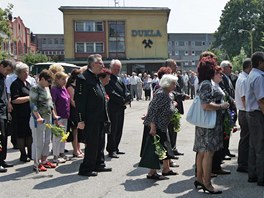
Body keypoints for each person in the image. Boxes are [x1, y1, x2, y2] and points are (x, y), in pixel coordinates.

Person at [193, 57, 229, 194]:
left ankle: (200, 179)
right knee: (208, 153)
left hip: (206, 124)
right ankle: (207, 183)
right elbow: (205, 105)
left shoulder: (205, 83)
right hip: (209, 125)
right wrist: (221, 106)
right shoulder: (207, 84)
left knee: (202, 153)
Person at [75, 54, 111, 176]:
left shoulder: (95, 77)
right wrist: (80, 120)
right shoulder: (83, 78)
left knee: (100, 142)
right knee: (92, 144)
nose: (103, 65)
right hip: (90, 118)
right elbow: (80, 101)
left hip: (100, 117)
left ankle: (99, 164)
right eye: (100, 63)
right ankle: (86, 168)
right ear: (93, 64)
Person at [140, 74, 178, 180]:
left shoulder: (167, 93)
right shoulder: (161, 94)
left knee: (164, 146)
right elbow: (152, 110)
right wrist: (152, 127)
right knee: (157, 148)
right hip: (156, 126)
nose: (175, 85)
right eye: (173, 83)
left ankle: (166, 169)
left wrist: (173, 105)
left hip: (162, 125)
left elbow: (166, 107)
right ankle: (152, 173)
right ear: (168, 84)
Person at [29, 69, 59, 172]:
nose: (50, 83)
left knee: (47, 140)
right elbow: (33, 104)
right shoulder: (35, 88)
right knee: (39, 142)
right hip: (38, 119)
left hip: (48, 118)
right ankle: (36, 163)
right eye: (48, 81)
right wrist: (38, 117)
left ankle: (44, 161)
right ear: (42, 79)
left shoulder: (46, 88)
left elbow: (50, 104)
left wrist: (54, 115)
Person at [245, 52, 264, 186]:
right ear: (260, 62)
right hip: (257, 114)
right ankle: (261, 177)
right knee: (260, 147)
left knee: (253, 145)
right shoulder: (258, 76)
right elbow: (261, 100)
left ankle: (253, 174)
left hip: (251, 113)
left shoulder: (252, 74)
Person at [105, 59, 130, 158]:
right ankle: (111, 149)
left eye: (118, 68)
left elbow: (126, 90)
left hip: (121, 107)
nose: (117, 70)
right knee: (113, 129)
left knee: (119, 128)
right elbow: (111, 92)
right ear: (111, 68)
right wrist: (122, 100)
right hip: (113, 107)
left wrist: (128, 96)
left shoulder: (119, 78)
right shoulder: (108, 78)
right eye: (115, 68)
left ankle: (116, 147)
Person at [10, 62, 32, 162]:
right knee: (21, 135)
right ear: (18, 73)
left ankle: (30, 153)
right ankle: (23, 154)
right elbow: (14, 100)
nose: (26, 74)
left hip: (29, 113)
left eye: (27, 71)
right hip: (19, 114)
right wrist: (29, 98)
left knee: (29, 133)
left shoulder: (28, 83)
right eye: (24, 72)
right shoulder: (15, 84)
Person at [235, 58, 252, 173]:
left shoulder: (242, 78)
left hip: (243, 111)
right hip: (245, 112)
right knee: (246, 138)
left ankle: (243, 162)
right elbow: (244, 98)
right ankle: (243, 163)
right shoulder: (244, 79)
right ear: (249, 66)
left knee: (245, 138)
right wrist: (249, 112)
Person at [51, 71, 70, 164]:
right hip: (59, 116)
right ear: (57, 79)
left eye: (65, 79)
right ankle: (55, 155)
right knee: (57, 137)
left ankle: (61, 153)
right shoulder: (54, 89)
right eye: (63, 79)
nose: (65, 81)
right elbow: (53, 103)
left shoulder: (64, 88)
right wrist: (55, 116)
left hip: (65, 115)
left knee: (63, 136)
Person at [219, 60, 237, 159]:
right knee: (224, 132)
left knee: (227, 131)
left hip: (230, 107)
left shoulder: (228, 77)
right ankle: (223, 152)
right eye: (230, 67)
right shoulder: (221, 77)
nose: (231, 69)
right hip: (226, 107)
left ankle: (226, 150)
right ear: (224, 68)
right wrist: (231, 101)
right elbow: (225, 92)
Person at [0, 60, 15, 173]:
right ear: (1, 66)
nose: (8, 73)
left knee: (4, 137)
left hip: (4, 111)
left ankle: (2, 159)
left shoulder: (3, 78)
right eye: (7, 70)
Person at [66, 69, 84, 158]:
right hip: (74, 110)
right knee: (75, 131)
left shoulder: (77, 85)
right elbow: (72, 101)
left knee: (79, 130)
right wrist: (80, 108)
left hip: (78, 110)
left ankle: (79, 148)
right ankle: (75, 150)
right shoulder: (70, 87)